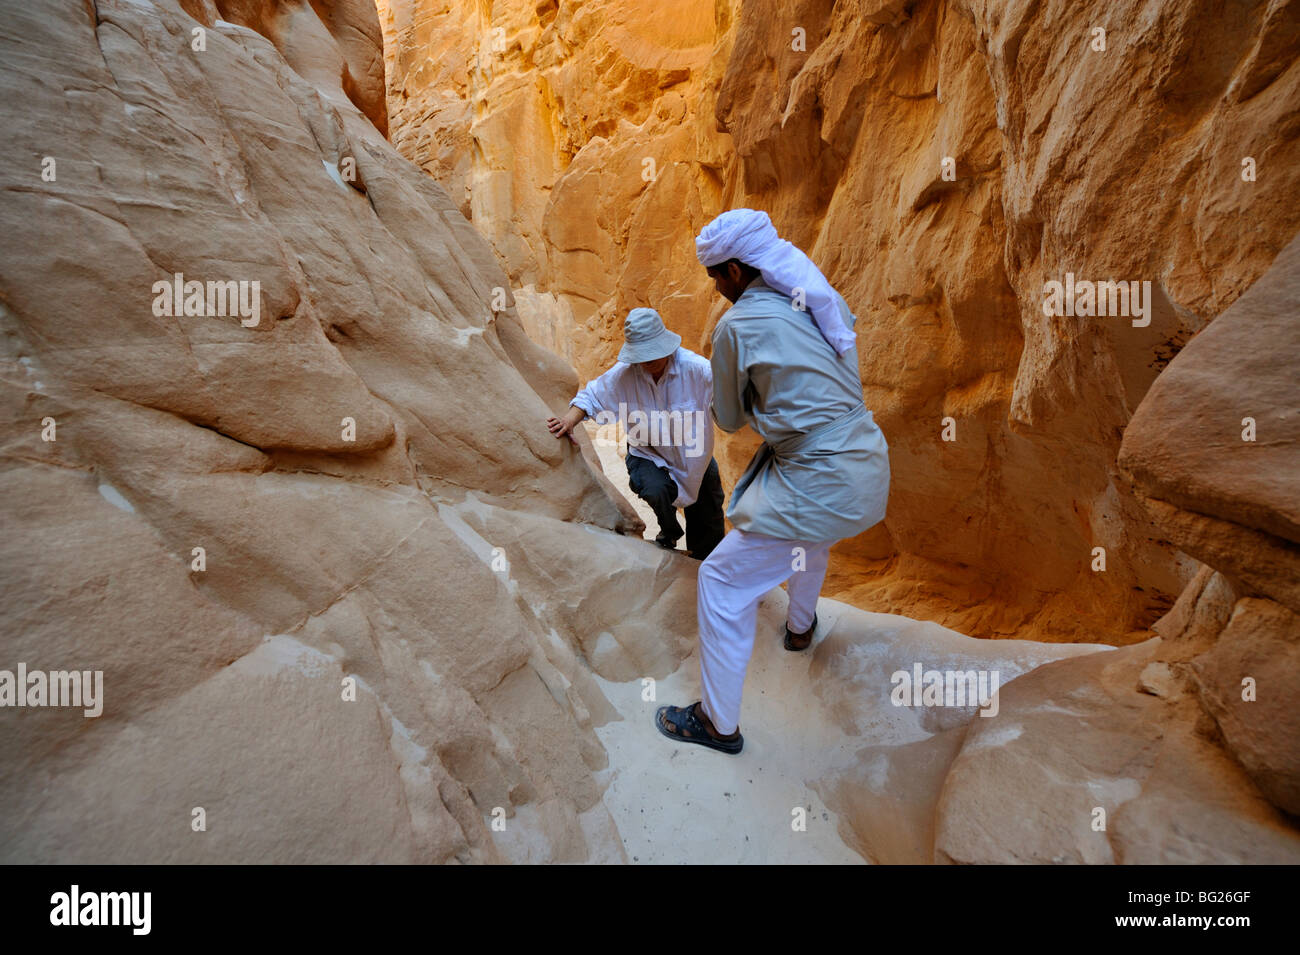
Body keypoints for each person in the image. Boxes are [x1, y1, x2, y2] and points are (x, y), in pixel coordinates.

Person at [655, 209, 890, 754]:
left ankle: (717, 723)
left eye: (715, 275)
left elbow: (732, 419)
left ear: (736, 271)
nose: (715, 286)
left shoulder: (736, 326)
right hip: (864, 467)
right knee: (810, 543)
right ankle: (801, 627)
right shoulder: (818, 297)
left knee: (719, 582)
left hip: (818, 476)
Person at [547, 307, 726, 560]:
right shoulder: (626, 374)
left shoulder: (698, 370)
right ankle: (669, 532)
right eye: (641, 355)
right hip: (648, 452)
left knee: (709, 523)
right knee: (654, 489)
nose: (647, 361)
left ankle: (706, 569)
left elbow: (731, 396)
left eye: (652, 352)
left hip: (695, 458)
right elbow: (592, 396)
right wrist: (568, 421)